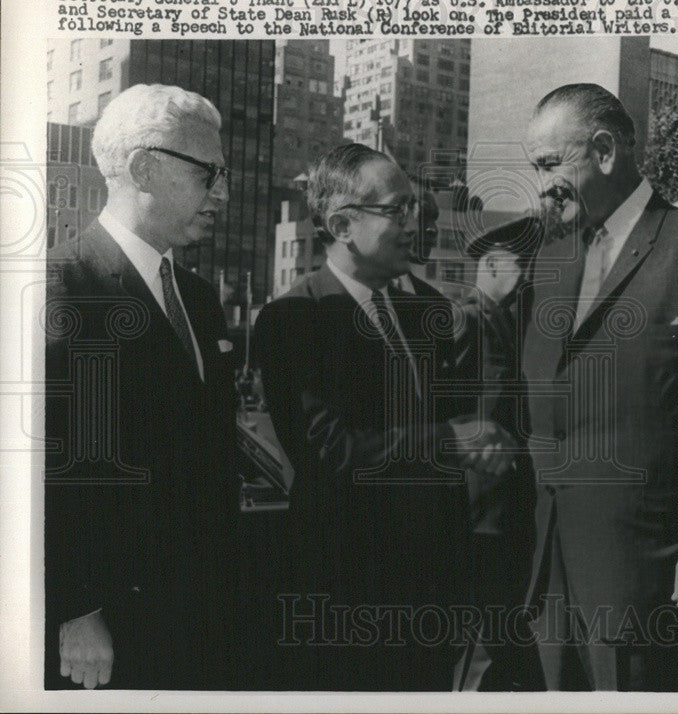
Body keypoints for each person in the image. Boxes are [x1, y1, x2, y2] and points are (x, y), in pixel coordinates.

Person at [521, 83, 678, 690]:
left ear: (604, 151)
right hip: (549, 579)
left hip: (651, 578)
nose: (541, 183)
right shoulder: (549, 263)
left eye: (551, 164)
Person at [253, 143, 516, 691]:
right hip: (349, 594)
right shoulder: (293, 320)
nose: (414, 223)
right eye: (398, 211)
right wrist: (450, 440)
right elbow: (330, 450)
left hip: (433, 592)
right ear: (343, 224)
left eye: (415, 207)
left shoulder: (426, 306)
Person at [44, 84, 240, 689]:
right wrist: (77, 609)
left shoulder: (202, 301)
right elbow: (53, 468)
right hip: (113, 627)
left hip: (198, 611)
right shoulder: (62, 287)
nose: (224, 193)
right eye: (210, 173)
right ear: (143, 167)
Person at [452, 212, 545, 692]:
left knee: (502, 641)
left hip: (507, 513)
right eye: (521, 263)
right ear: (489, 263)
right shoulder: (464, 320)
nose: (528, 274)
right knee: (477, 650)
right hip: (477, 517)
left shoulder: (509, 323)